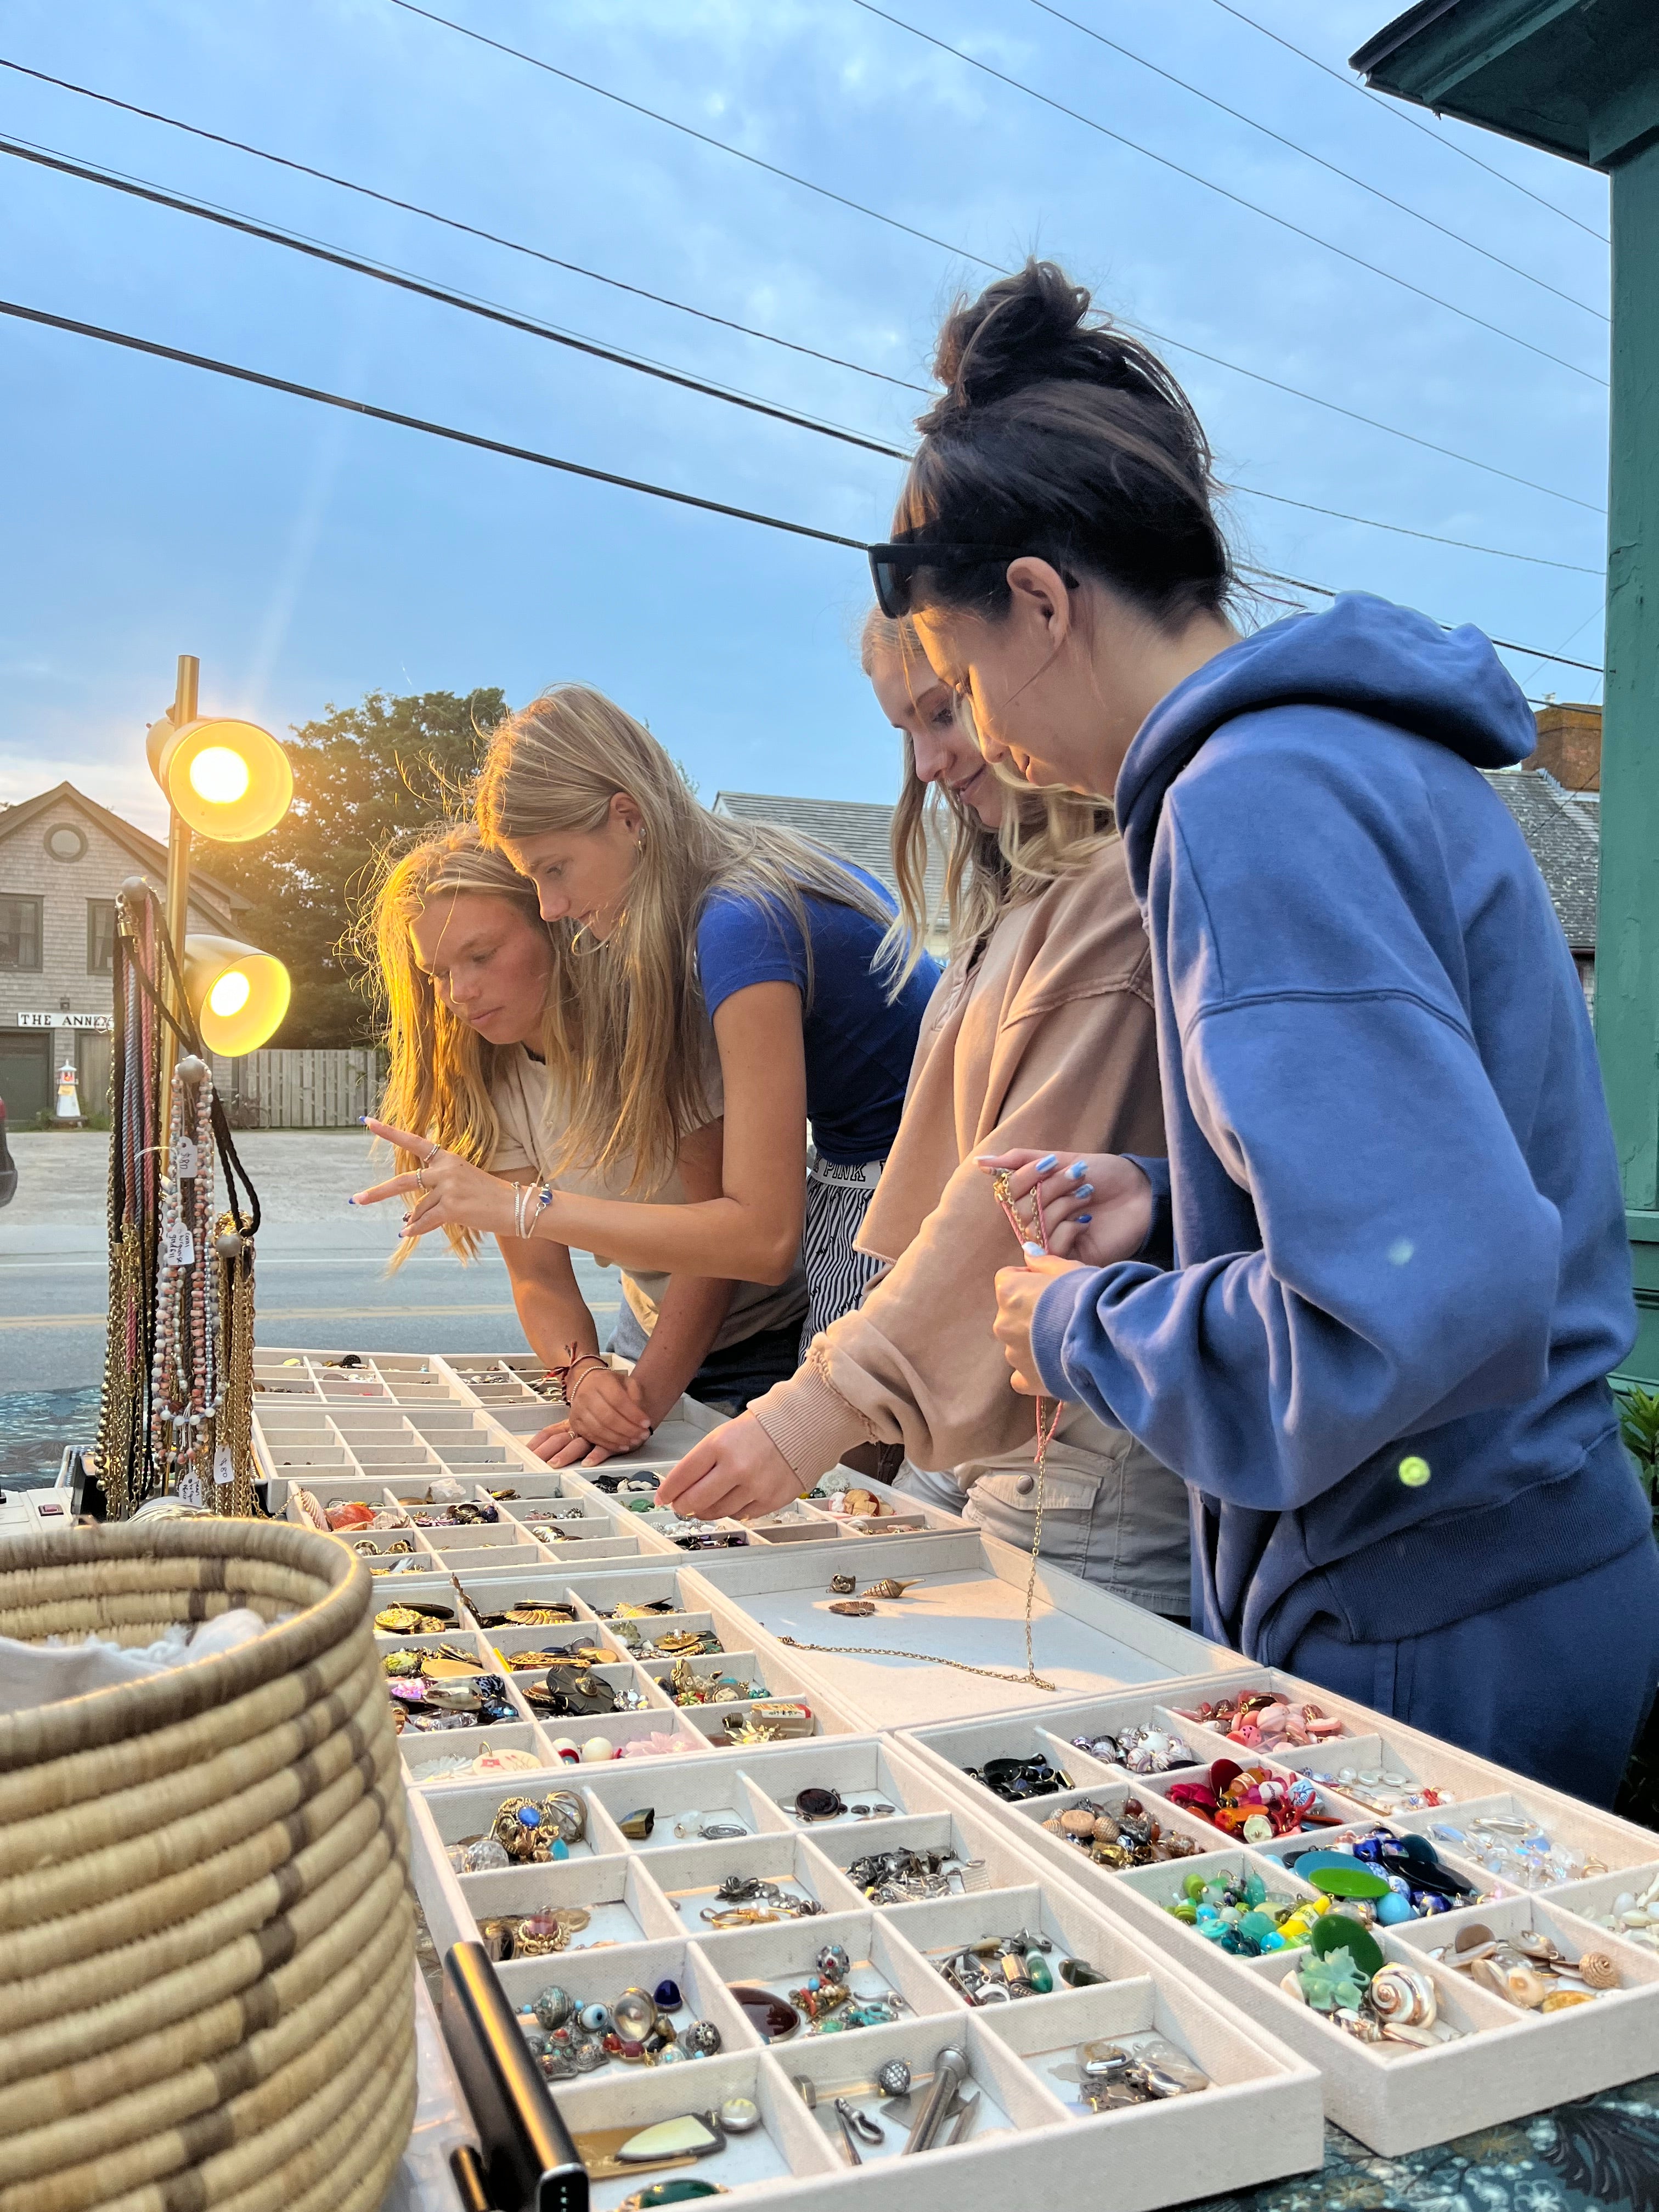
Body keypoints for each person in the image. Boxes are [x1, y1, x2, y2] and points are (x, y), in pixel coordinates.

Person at [875, 256, 1658, 1804]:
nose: (989, 743)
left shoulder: (1250, 803)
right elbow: (1432, 1203)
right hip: (1514, 1565)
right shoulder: (1355, 754)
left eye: (962, 680)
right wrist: (1173, 1213)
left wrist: (1076, 1325)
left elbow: (1420, 1301)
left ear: (1042, 601)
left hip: (1426, 1602)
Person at [658, 611, 1192, 1618]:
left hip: (1085, 1452)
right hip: (994, 1422)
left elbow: (1007, 1195)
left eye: (946, 710)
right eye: (904, 729)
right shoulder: (1021, 893)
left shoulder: (1111, 895)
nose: (928, 763)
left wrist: (813, 1411)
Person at [356, 685, 940, 1360]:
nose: (550, 907)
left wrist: (519, 1207)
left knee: (842, 1421)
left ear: (629, 818)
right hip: (874, 1172)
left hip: (907, 1185)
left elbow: (763, 1239)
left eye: (555, 869)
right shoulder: (748, 872)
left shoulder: (738, 928)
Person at [359, 825, 805, 1463]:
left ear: (553, 925)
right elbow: (537, 1276)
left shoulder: (661, 1028)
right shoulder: (493, 1080)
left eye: (481, 955)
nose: (460, 993)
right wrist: (582, 1374)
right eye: (439, 972)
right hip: (643, 1335)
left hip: (772, 1336)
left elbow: (717, 1252)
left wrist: (638, 1404)